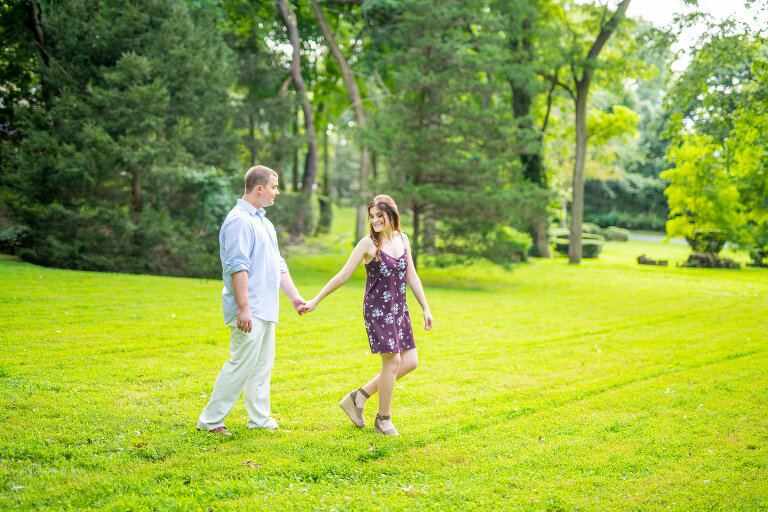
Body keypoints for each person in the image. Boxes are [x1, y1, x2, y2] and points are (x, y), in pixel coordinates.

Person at [299, 194, 433, 436]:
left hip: (399, 309)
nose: (375, 221)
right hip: (378, 311)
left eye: (379, 216)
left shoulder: (403, 240)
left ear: (392, 215)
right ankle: (383, 420)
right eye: (372, 217)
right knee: (392, 362)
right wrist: (315, 300)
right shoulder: (368, 244)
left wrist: (425, 307)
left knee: (410, 361)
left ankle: (358, 397)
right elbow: (342, 275)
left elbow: (412, 276)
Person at [197, 165, 304, 436]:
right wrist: (243, 308)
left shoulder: (263, 222)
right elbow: (237, 267)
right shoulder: (238, 221)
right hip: (249, 308)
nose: (276, 192)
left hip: (267, 308)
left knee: (261, 366)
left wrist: (293, 296)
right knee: (241, 363)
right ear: (260, 188)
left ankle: (259, 418)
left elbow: (278, 264)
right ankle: (210, 420)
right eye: (274, 187)